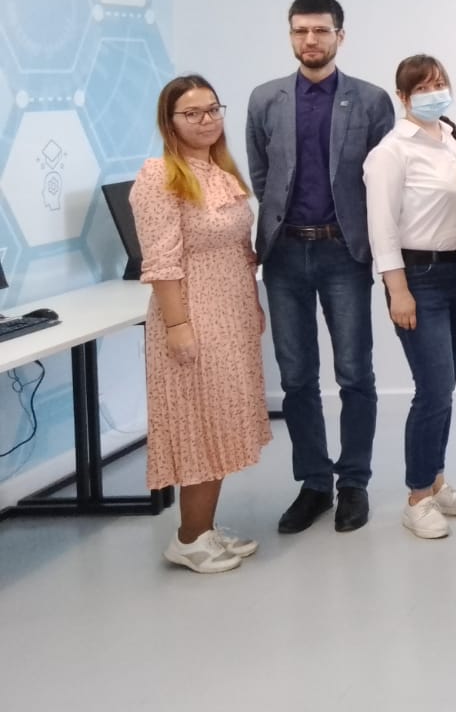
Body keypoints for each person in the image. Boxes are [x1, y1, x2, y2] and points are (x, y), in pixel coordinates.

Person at [246, 0, 393, 536]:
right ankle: (313, 483)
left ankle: (353, 482)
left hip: (343, 252)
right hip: (284, 254)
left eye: (320, 31)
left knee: (354, 373)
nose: (310, 40)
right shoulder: (266, 99)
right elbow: (262, 176)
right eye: (300, 31)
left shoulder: (371, 101)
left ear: (340, 36)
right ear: (291, 35)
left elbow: (382, 182)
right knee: (296, 377)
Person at [132, 76, 272, 573]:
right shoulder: (160, 177)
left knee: (222, 422)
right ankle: (189, 539)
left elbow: (241, 249)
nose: (206, 120)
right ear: (169, 122)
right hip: (193, 317)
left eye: (212, 109)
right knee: (199, 424)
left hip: (231, 314)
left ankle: (204, 528)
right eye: (191, 113)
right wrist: (178, 327)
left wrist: (252, 304)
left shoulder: (219, 171)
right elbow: (161, 262)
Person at [364, 55, 456, 540]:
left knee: (446, 385)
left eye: (439, 83)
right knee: (432, 389)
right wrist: (399, 291)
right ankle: (417, 497)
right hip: (419, 279)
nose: (434, 93)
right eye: (423, 87)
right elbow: (382, 229)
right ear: (403, 97)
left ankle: (436, 481)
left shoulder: (454, 138)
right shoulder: (391, 152)